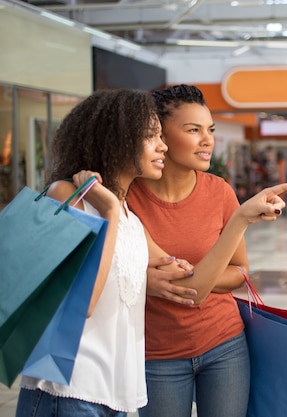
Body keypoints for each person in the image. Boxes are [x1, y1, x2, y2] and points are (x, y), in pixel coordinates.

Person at [126, 84, 287, 417]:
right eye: (193, 130)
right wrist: (195, 275)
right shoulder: (128, 197)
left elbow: (240, 271)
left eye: (210, 130)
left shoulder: (219, 191)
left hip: (225, 345)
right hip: (157, 353)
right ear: (159, 136)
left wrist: (194, 274)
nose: (208, 140)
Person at [15, 88, 190, 417]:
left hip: (118, 397)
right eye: (151, 136)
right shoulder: (68, 196)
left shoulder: (130, 217)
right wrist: (108, 211)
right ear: (117, 138)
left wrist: (239, 218)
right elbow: (82, 303)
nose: (163, 145)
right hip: (67, 390)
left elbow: (183, 274)